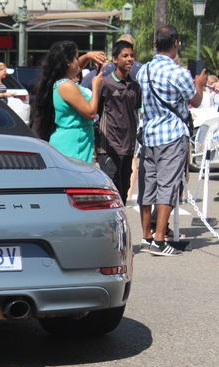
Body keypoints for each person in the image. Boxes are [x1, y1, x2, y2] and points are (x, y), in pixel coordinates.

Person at [135, 25, 206, 256]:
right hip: (172, 136)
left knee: (148, 187)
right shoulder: (178, 73)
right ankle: (160, 238)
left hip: (149, 135)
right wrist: (200, 84)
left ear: (156, 44)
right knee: (168, 186)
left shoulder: (143, 71)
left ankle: (146, 236)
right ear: (175, 43)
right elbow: (195, 101)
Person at [31, 41, 105, 163]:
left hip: (77, 140)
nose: (78, 62)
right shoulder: (66, 86)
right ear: (68, 62)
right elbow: (91, 113)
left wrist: (87, 56)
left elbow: (77, 67)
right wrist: (95, 86)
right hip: (72, 143)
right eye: (76, 58)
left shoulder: (62, 81)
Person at [95, 40, 142, 206]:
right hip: (109, 148)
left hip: (128, 148)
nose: (130, 59)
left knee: (122, 194)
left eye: (132, 55)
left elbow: (135, 112)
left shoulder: (136, 87)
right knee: (110, 195)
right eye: (125, 56)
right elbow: (95, 112)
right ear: (115, 59)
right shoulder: (106, 84)